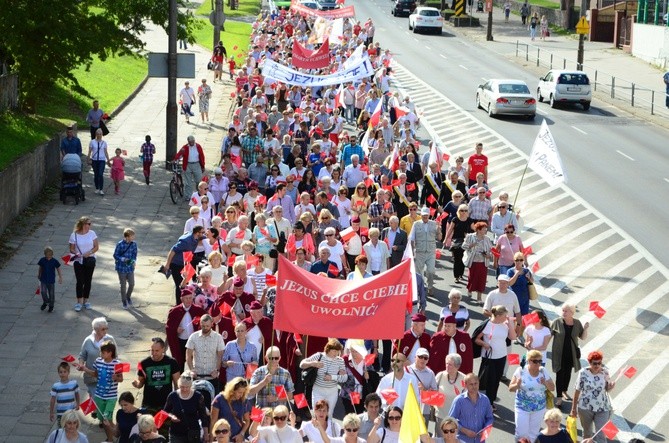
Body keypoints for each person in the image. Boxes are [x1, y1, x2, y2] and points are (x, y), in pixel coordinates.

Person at [76, 341, 123, 443]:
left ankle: (111, 438)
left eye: (102, 352)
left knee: (107, 418)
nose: (100, 354)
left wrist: (116, 377)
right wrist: (84, 369)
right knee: (102, 419)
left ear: (110, 353)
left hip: (111, 396)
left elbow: (121, 379)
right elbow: (95, 374)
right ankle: (116, 432)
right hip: (99, 395)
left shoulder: (117, 364)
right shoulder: (98, 361)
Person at [474, 305, 517, 411]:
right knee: (488, 380)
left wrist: (510, 324)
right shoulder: (487, 325)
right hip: (489, 357)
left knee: (496, 380)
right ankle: (484, 402)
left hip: (501, 356)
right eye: (504, 315)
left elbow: (513, 337)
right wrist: (484, 343)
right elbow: (476, 338)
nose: (506, 317)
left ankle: (491, 401)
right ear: (497, 316)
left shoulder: (504, 325)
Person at [509, 349, 555, 442]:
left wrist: (545, 382)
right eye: (535, 361)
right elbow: (510, 388)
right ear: (529, 361)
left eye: (540, 361)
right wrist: (517, 385)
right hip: (522, 407)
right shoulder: (521, 371)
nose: (538, 364)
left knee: (533, 434)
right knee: (521, 434)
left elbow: (552, 388)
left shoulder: (543, 371)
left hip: (539, 408)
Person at [570, 351, 615, 443]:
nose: (597, 365)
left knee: (601, 434)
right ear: (589, 363)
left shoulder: (605, 372)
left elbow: (606, 389)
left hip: (602, 408)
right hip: (585, 408)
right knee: (587, 434)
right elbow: (577, 390)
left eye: (599, 363)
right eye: (595, 363)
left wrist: (610, 387)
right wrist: (573, 408)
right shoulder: (583, 373)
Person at [550, 303, 589, 406]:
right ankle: (559, 396)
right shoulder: (557, 322)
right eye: (563, 310)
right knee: (559, 374)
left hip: (571, 354)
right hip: (559, 354)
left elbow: (582, 337)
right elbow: (548, 335)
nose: (563, 312)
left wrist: (585, 329)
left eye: (566, 311)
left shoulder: (576, 323)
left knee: (568, 373)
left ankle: (564, 391)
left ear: (572, 313)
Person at [132, 337, 180, 414]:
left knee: (165, 426)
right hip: (149, 404)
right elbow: (140, 383)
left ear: (163, 349)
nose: (154, 353)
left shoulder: (172, 362)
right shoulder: (144, 363)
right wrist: (136, 384)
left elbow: (177, 384)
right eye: (152, 350)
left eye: (157, 351)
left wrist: (176, 401)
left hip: (166, 404)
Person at [300, 338, 347, 415]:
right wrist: (313, 363)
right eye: (334, 351)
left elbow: (344, 378)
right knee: (317, 414)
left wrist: (332, 377)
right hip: (318, 390)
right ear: (328, 349)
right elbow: (301, 364)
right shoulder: (319, 356)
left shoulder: (340, 360)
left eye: (338, 351)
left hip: (332, 392)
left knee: (329, 415)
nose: (336, 353)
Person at [165, 288, 206, 372]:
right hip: (180, 340)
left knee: (195, 362)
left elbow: (206, 322)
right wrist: (176, 329)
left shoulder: (198, 310)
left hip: (194, 341)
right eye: (186, 298)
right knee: (179, 361)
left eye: (190, 298)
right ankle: (180, 380)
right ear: (181, 299)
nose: (188, 300)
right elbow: (168, 327)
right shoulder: (174, 311)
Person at [163, 226, 206, 304]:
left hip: (186, 263)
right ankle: (179, 304)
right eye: (202, 233)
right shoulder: (185, 241)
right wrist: (167, 264)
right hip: (176, 264)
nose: (203, 234)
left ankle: (185, 301)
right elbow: (173, 250)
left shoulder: (196, 237)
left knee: (185, 283)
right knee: (179, 284)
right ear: (197, 233)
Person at [164, 372, 211, 443]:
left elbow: (203, 416)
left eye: (187, 387)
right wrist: (171, 416)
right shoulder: (173, 396)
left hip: (193, 433)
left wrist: (206, 433)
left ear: (191, 385)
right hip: (176, 433)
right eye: (182, 387)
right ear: (179, 385)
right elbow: (165, 412)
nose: (185, 389)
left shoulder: (198, 396)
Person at [448, 373, 494, 443]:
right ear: (465, 385)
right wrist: (465, 430)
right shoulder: (459, 400)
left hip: (480, 440)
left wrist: (486, 429)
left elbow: (489, 418)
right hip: (462, 439)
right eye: (471, 384)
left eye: (476, 383)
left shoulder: (485, 400)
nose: (474, 386)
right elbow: (450, 420)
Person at [185, 314, 225, 393]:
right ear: (200, 324)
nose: (205, 328)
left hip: (212, 376)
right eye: (203, 326)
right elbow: (188, 355)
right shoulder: (193, 337)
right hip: (197, 376)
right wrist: (192, 370)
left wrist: (217, 370)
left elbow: (220, 356)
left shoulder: (218, 337)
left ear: (211, 324)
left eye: (207, 326)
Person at [69, 216, 99, 312]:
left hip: (90, 260)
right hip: (78, 261)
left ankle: (86, 301)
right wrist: (76, 253)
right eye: (88, 224)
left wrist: (89, 253)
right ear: (82, 224)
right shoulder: (74, 235)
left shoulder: (92, 233)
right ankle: (79, 302)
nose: (89, 226)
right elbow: (71, 248)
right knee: (80, 281)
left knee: (88, 280)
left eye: (90, 224)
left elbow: (96, 247)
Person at [409, 207, 442, 295]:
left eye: (426, 215)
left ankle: (430, 286)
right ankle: (421, 288)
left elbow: (439, 238)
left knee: (431, 271)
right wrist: (412, 251)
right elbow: (411, 238)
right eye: (423, 215)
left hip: (431, 251)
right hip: (420, 251)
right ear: (421, 215)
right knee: (419, 272)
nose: (425, 217)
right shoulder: (416, 224)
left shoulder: (434, 223)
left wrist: (439, 229)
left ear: (429, 215)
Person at [433, 356, 466, 438]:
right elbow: (433, 391)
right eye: (447, 363)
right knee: (440, 439)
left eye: (450, 364)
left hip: (456, 418)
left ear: (457, 366)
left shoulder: (464, 379)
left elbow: (467, 398)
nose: (447, 366)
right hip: (440, 415)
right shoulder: (440, 375)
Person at [463, 221, 492, 304]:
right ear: (478, 230)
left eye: (486, 229)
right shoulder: (470, 237)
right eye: (484, 229)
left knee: (482, 280)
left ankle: (479, 298)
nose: (485, 231)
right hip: (473, 261)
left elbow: (491, 250)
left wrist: (488, 255)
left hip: (483, 262)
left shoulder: (487, 239)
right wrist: (471, 245)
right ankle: (470, 289)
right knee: (472, 278)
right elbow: (463, 246)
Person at [446, 204, 473, 284]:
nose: (463, 212)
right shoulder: (455, 219)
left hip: (466, 242)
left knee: (463, 259)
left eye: (465, 210)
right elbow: (450, 230)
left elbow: (474, 229)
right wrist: (445, 239)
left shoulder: (469, 220)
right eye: (461, 210)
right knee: (457, 260)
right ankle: (456, 276)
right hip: (456, 242)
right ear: (458, 211)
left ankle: (461, 274)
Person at [174, 135, 206, 201]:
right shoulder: (185, 147)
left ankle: (199, 194)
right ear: (188, 141)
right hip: (188, 165)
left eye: (192, 141)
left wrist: (202, 166)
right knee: (188, 182)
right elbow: (179, 154)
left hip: (196, 164)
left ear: (194, 141)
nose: (191, 143)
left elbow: (202, 156)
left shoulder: (198, 146)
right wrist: (175, 159)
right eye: (190, 142)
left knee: (199, 180)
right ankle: (188, 196)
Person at [49, 362, 80, 427]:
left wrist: (78, 404)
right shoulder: (56, 386)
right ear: (58, 373)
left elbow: (77, 394)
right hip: (61, 413)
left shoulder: (74, 383)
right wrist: (51, 412)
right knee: (61, 430)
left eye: (64, 372)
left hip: (71, 412)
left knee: (72, 428)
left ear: (68, 372)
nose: (62, 374)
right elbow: (52, 400)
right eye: (60, 372)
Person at [113, 228, 137, 309]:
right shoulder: (120, 244)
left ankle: (128, 296)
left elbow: (134, 254)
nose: (134, 237)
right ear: (127, 236)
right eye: (132, 236)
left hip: (130, 267)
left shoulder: (134, 244)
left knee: (132, 284)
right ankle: (124, 301)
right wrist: (123, 259)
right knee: (123, 285)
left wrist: (133, 261)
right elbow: (115, 255)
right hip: (121, 267)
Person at [37, 246, 62, 312]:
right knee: (43, 292)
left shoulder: (54, 261)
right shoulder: (42, 260)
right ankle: (46, 302)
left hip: (51, 280)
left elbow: (58, 268)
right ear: (45, 255)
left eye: (50, 256)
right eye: (47, 256)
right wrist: (39, 274)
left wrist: (60, 277)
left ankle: (51, 306)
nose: (48, 258)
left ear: (52, 255)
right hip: (43, 279)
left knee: (51, 294)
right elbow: (40, 267)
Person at [507, 251, 533, 317]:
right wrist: (516, 274)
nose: (519, 262)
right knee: (514, 317)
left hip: (525, 298)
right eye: (517, 260)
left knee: (524, 317)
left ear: (523, 261)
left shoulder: (526, 271)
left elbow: (532, 281)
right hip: (514, 298)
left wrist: (529, 278)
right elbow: (509, 283)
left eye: (521, 260)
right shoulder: (510, 271)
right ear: (514, 261)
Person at [88, 128, 110, 195]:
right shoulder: (92, 142)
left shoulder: (104, 143)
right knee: (96, 174)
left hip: (102, 160)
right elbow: (90, 151)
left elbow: (106, 152)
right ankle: (97, 188)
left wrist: (108, 160)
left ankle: (101, 189)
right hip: (94, 160)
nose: (99, 135)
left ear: (102, 135)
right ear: (96, 134)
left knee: (100, 174)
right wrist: (88, 159)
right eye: (98, 134)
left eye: (100, 134)